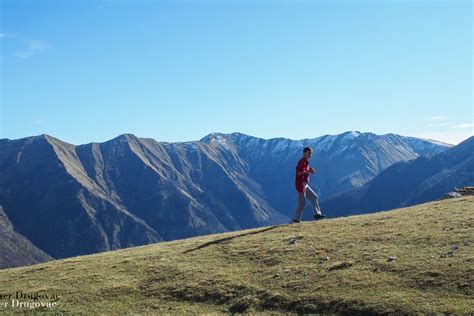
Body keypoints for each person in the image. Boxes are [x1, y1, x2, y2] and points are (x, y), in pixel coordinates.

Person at [292, 147, 326, 223]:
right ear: (304, 153)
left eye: (311, 153)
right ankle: (296, 220)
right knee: (302, 203)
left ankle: (317, 214)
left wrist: (309, 171)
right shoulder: (302, 162)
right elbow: (299, 173)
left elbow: (304, 171)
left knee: (314, 197)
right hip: (301, 185)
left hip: (305, 184)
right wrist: (309, 171)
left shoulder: (306, 161)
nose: (310, 155)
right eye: (309, 153)